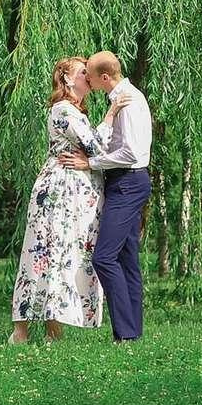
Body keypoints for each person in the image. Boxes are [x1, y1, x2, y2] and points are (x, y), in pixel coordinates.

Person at [8, 57, 105, 344]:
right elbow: (96, 146)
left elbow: (93, 151)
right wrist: (112, 117)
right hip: (59, 192)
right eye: (83, 72)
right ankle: (21, 330)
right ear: (65, 78)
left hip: (69, 192)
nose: (89, 76)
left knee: (58, 255)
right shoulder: (64, 111)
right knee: (43, 253)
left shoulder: (74, 111)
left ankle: (53, 328)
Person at [57, 50, 152, 342]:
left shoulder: (130, 101)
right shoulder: (119, 99)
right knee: (126, 260)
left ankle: (124, 333)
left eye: (90, 75)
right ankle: (132, 333)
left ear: (105, 77)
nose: (87, 79)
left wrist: (91, 163)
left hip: (128, 182)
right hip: (122, 181)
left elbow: (131, 153)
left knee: (104, 258)